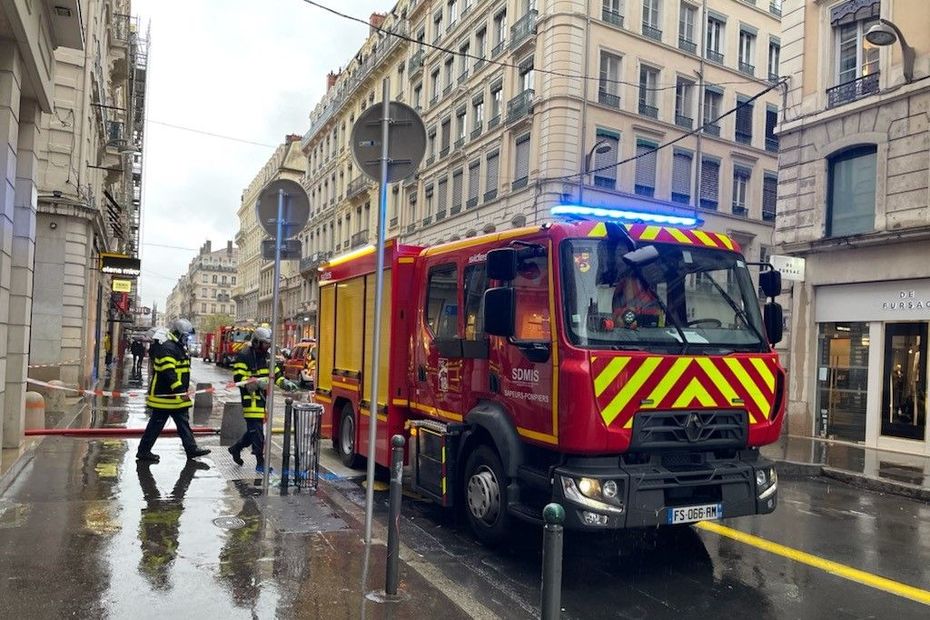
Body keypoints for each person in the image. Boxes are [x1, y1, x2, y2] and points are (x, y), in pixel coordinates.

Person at [136, 318, 211, 463]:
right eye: (185, 336)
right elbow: (168, 371)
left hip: (175, 395)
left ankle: (191, 449)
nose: (187, 339)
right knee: (156, 425)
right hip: (165, 396)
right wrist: (179, 390)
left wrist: (181, 391)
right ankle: (143, 451)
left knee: (182, 423)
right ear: (177, 333)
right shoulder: (168, 348)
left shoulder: (176, 346)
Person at [228, 327, 296, 472]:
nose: (267, 346)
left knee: (253, 431)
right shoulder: (244, 355)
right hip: (250, 399)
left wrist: (284, 383)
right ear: (257, 342)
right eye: (265, 343)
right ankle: (260, 462)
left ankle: (236, 448)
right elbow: (238, 378)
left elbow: (276, 375)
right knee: (258, 432)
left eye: (268, 344)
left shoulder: (268, 357)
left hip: (263, 400)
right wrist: (256, 382)